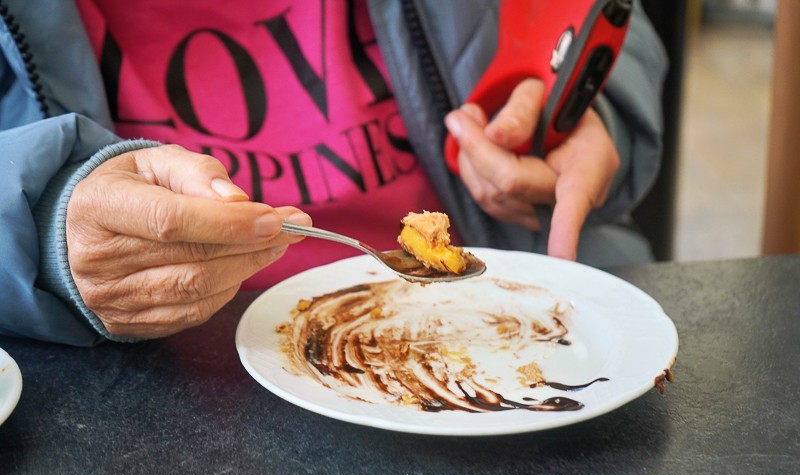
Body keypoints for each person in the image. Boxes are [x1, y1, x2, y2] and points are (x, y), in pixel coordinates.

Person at [0, 0, 667, 346]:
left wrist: (575, 103)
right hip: (140, 400)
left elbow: (591, 18)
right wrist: (40, 228)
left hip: (510, 313)